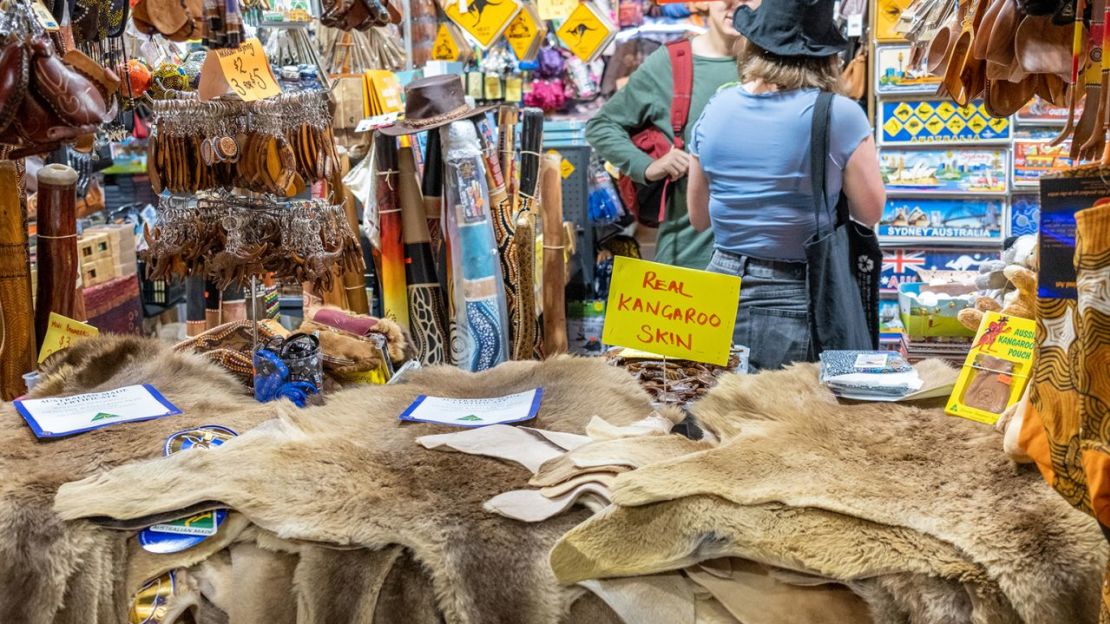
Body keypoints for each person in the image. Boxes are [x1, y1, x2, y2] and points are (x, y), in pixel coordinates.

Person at [686, 0, 885, 371]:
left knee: (717, 419)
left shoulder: (716, 108)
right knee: (791, 423)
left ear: (756, 45)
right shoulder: (838, 114)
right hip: (797, 294)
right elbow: (869, 211)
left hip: (717, 289)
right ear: (827, 57)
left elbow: (698, 218)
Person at [585, 1, 742, 270]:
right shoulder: (673, 64)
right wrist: (646, 167)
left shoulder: (777, 64)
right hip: (690, 260)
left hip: (768, 274)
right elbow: (602, 125)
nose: (736, 6)